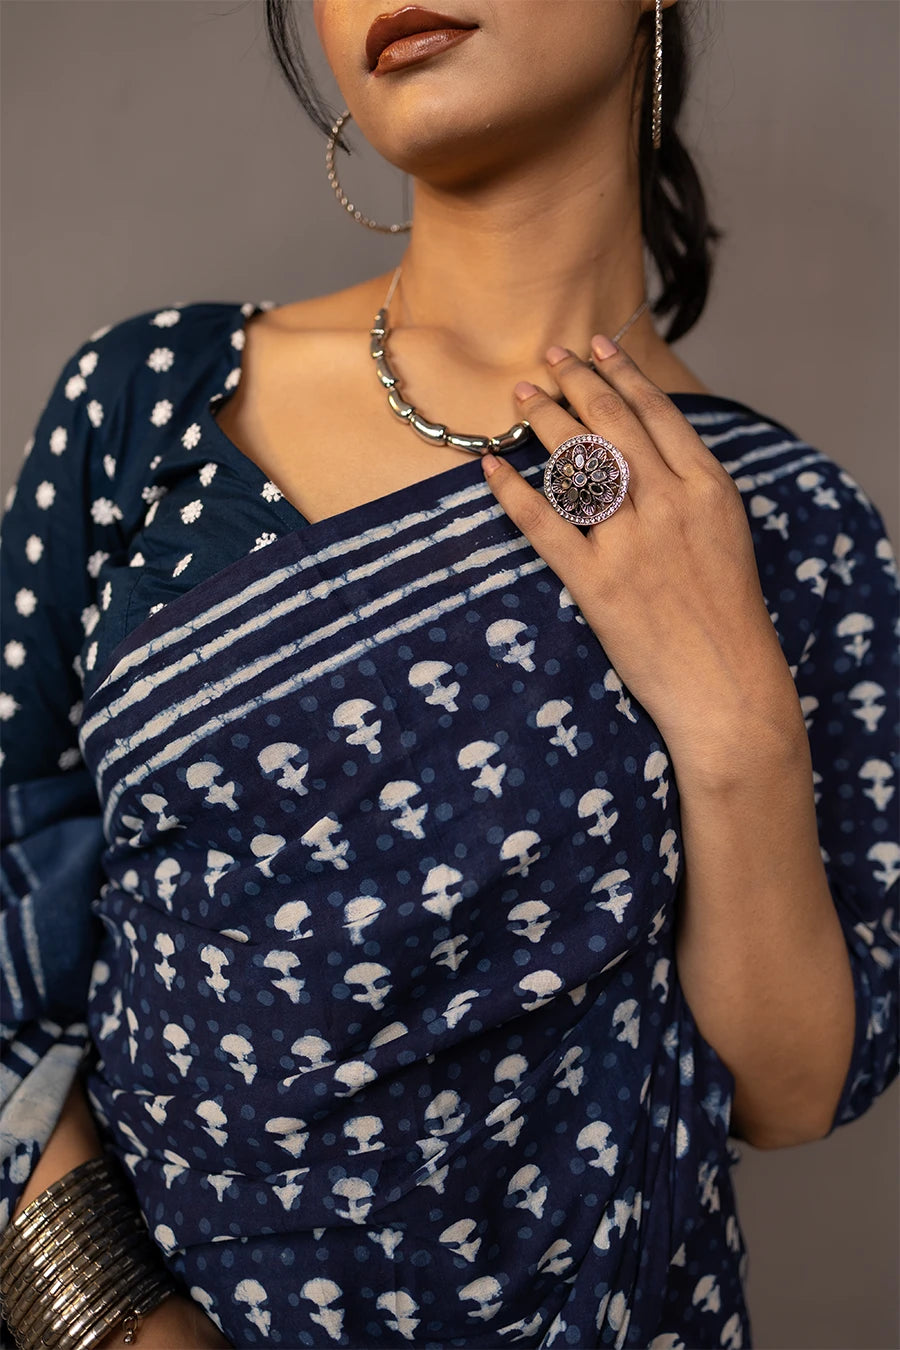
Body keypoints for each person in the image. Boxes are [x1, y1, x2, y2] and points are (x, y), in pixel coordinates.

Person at [1, 1, 897, 1346]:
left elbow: (794, 1082)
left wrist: (734, 723)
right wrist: (124, 1323)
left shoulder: (786, 520)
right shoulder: (154, 405)